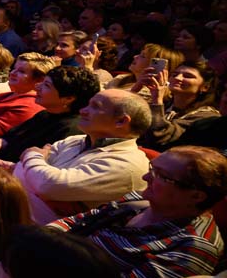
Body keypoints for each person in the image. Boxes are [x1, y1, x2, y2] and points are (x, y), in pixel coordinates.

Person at [48, 146, 224, 278]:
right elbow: (77, 221)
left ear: (196, 196)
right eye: (152, 168)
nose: (145, 177)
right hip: (55, 262)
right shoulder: (140, 199)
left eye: (160, 175)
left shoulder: (193, 246)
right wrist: (43, 238)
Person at [14, 88, 151, 223]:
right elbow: (31, 175)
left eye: (95, 106)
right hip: (19, 213)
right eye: (88, 104)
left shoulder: (127, 165)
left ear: (121, 121)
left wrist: (32, 155)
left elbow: (46, 185)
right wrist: (35, 177)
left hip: (45, 230)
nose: (83, 111)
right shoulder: (75, 140)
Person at [0, 63, 96, 166]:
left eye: (46, 85)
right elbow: (9, 139)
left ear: (68, 98)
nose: (38, 86)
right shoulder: (44, 114)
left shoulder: (71, 130)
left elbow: (38, 168)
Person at [138, 60, 220, 148]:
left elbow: (160, 138)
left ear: (205, 87)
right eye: (174, 75)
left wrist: (157, 100)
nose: (177, 78)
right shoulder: (166, 105)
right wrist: (138, 86)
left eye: (187, 76)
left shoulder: (206, 116)